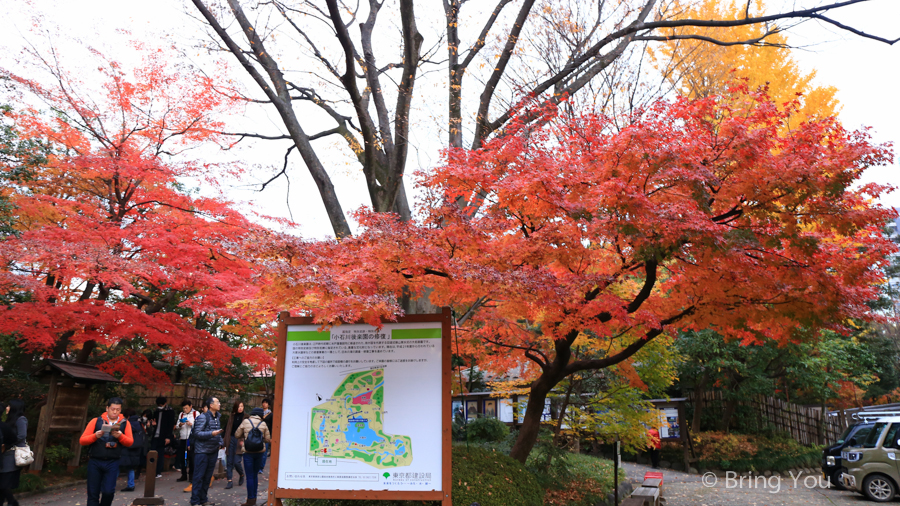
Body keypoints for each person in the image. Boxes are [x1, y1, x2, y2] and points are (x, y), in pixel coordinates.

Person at [79, 397, 134, 506]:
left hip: (112, 461)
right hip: (95, 460)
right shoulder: (96, 421)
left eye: (118, 409)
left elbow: (130, 442)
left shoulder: (125, 423)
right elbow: (82, 440)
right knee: (93, 493)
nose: (115, 412)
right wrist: (95, 435)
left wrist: (120, 436)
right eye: (113, 409)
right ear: (107, 408)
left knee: (108, 491)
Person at [234, 407, 271, 506]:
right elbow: (268, 439)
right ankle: (254, 499)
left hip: (248, 452)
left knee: (249, 476)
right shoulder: (263, 424)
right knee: (255, 475)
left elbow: (237, 434)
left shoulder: (246, 422)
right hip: (259, 452)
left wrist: (245, 436)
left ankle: (250, 500)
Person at [190, 397, 224, 506]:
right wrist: (211, 434)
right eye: (217, 402)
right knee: (199, 477)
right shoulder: (203, 417)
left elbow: (218, 433)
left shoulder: (217, 418)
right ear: (211, 405)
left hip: (213, 451)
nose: (219, 404)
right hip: (202, 451)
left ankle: (203, 500)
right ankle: (195, 501)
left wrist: (221, 442)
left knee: (207, 477)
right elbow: (197, 433)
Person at [0, 400, 27, 506]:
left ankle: (12, 502)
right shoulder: (9, 420)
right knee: (2, 482)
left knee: (4, 482)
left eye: (9, 406)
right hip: (6, 453)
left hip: (12, 453)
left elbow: (21, 435)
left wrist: (6, 445)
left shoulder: (21, 419)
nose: (7, 408)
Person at [119, 408, 146, 492]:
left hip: (127, 447)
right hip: (137, 447)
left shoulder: (126, 423)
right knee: (130, 467)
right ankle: (131, 485)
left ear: (128, 416)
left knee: (116, 465)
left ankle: (109, 484)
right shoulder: (139, 422)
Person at [150, 396, 175, 478]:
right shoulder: (156, 411)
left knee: (160, 453)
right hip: (155, 434)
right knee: (152, 452)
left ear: (165, 403)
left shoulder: (170, 411)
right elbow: (154, 422)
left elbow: (171, 425)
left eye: (161, 404)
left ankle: (158, 471)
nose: (160, 406)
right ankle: (152, 470)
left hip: (163, 435)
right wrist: (153, 425)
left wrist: (168, 437)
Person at [223, 401, 246, 490]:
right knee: (229, 461)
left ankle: (241, 474)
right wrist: (224, 441)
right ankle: (229, 481)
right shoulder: (231, 417)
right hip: (231, 439)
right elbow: (227, 429)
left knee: (236, 462)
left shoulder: (246, 417)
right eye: (239, 406)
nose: (240, 408)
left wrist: (244, 441)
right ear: (235, 407)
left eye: (242, 406)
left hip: (240, 440)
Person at [175, 400, 198, 484]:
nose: (185, 410)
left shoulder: (196, 414)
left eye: (186, 408)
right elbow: (177, 426)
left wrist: (191, 424)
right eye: (184, 408)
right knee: (182, 457)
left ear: (191, 406)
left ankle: (191, 475)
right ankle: (183, 474)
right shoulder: (181, 414)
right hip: (183, 438)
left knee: (191, 457)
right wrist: (180, 424)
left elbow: (199, 425)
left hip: (191, 438)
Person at [259, 398, 273, 472]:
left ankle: (261, 467)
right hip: (258, 434)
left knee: (264, 451)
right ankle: (257, 466)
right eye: (263, 402)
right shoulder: (259, 413)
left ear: (268, 404)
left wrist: (271, 436)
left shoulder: (271, 414)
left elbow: (272, 426)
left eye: (266, 403)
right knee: (258, 450)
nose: (264, 404)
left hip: (267, 434)